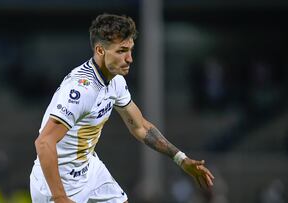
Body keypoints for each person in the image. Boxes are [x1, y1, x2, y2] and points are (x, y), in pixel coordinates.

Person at [30, 13, 214, 203]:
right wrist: (60, 197)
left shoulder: (116, 82)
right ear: (100, 50)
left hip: (88, 169)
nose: (129, 59)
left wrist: (181, 159)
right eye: (121, 51)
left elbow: (140, 127)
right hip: (56, 182)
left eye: (131, 50)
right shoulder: (82, 89)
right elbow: (44, 143)